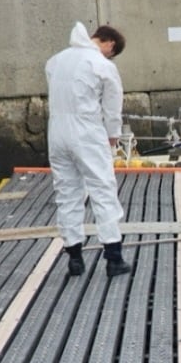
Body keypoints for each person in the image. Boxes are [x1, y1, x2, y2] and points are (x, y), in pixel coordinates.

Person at [46, 21, 131, 278]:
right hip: (87, 132)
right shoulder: (102, 65)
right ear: (110, 44)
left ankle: (74, 258)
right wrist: (113, 135)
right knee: (102, 190)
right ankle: (114, 258)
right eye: (112, 52)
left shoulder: (55, 61)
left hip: (57, 132)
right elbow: (112, 106)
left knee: (67, 192)